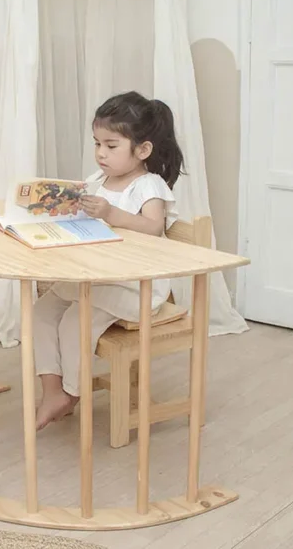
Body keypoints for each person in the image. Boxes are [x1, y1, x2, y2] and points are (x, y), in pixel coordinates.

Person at [33, 90, 185, 430]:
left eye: (111, 145)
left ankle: (72, 393)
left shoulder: (149, 186)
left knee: (76, 318)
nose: (101, 153)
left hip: (137, 287)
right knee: (41, 311)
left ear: (142, 149)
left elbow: (153, 228)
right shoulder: (96, 181)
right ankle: (52, 389)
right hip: (99, 277)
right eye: (97, 143)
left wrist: (113, 213)